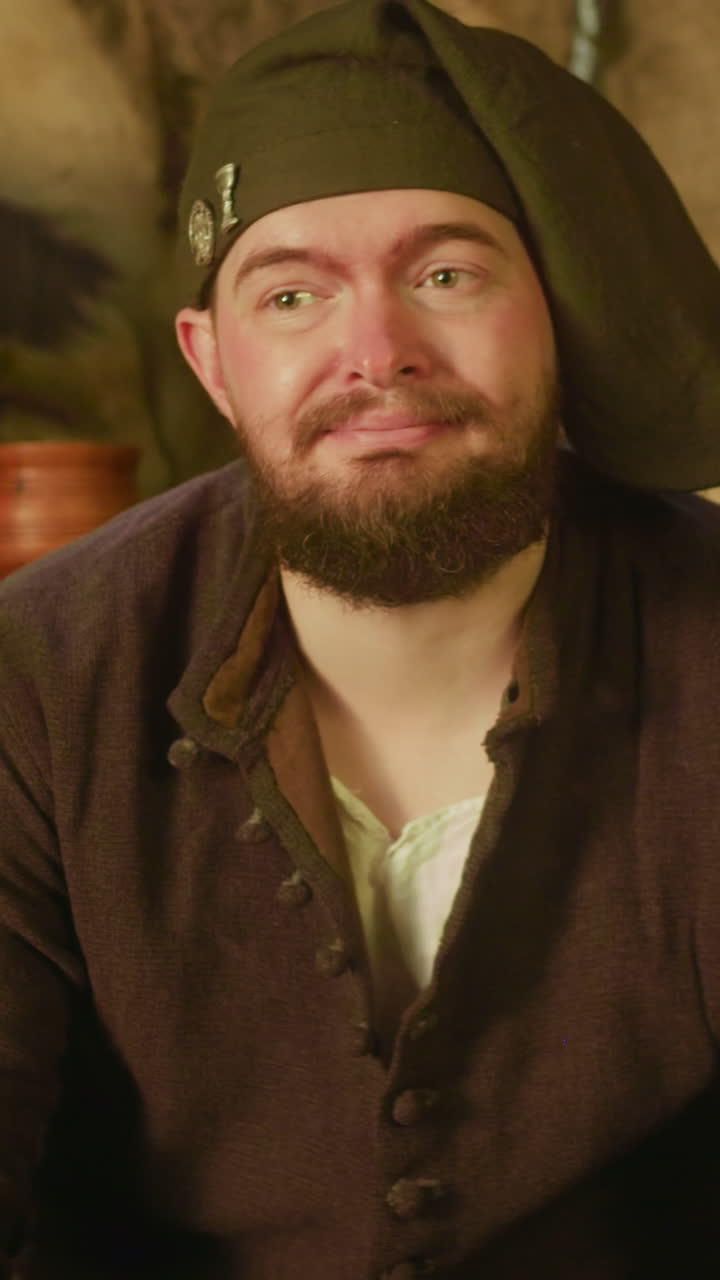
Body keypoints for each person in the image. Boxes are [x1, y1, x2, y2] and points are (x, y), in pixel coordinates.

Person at [2, 0, 720, 1276]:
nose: (375, 352)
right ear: (213, 362)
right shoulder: (39, 678)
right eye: (291, 295)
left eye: (447, 273)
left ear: (551, 316)